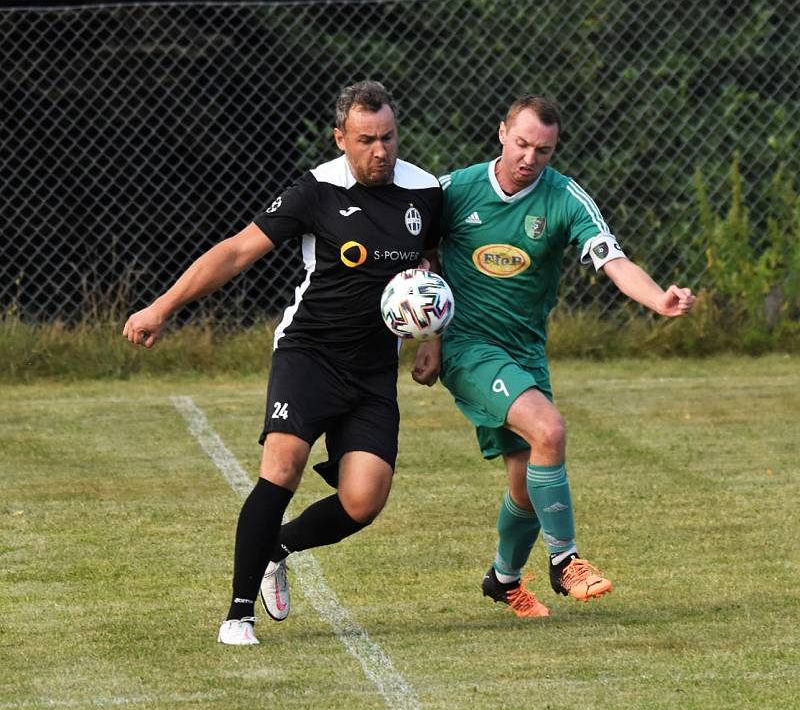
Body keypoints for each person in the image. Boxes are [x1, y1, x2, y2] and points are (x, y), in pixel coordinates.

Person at [123, 80, 442, 644]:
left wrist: (432, 338)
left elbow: (430, 266)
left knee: (363, 501)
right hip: (308, 354)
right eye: (366, 139)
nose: (380, 151)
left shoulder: (426, 191)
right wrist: (163, 306)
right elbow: (238, 251)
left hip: (372, 370)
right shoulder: (315, 189)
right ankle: (237, 614)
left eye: (389, 137)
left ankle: (279, 546)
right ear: (341, 137)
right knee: (284, 464)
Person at [412, 95, 696, 618]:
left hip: (525, 353)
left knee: (526, 481)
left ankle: (502, 578)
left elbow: (612, 258)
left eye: (543, 150)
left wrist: (658, 298)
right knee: (551, 431)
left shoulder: (566, 197)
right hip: (468, 346)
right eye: (521, 144)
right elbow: (423, 252)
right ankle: (565, 561)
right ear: (501, 133)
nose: (529, 158)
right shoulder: (454, 189)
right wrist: (431, 336)